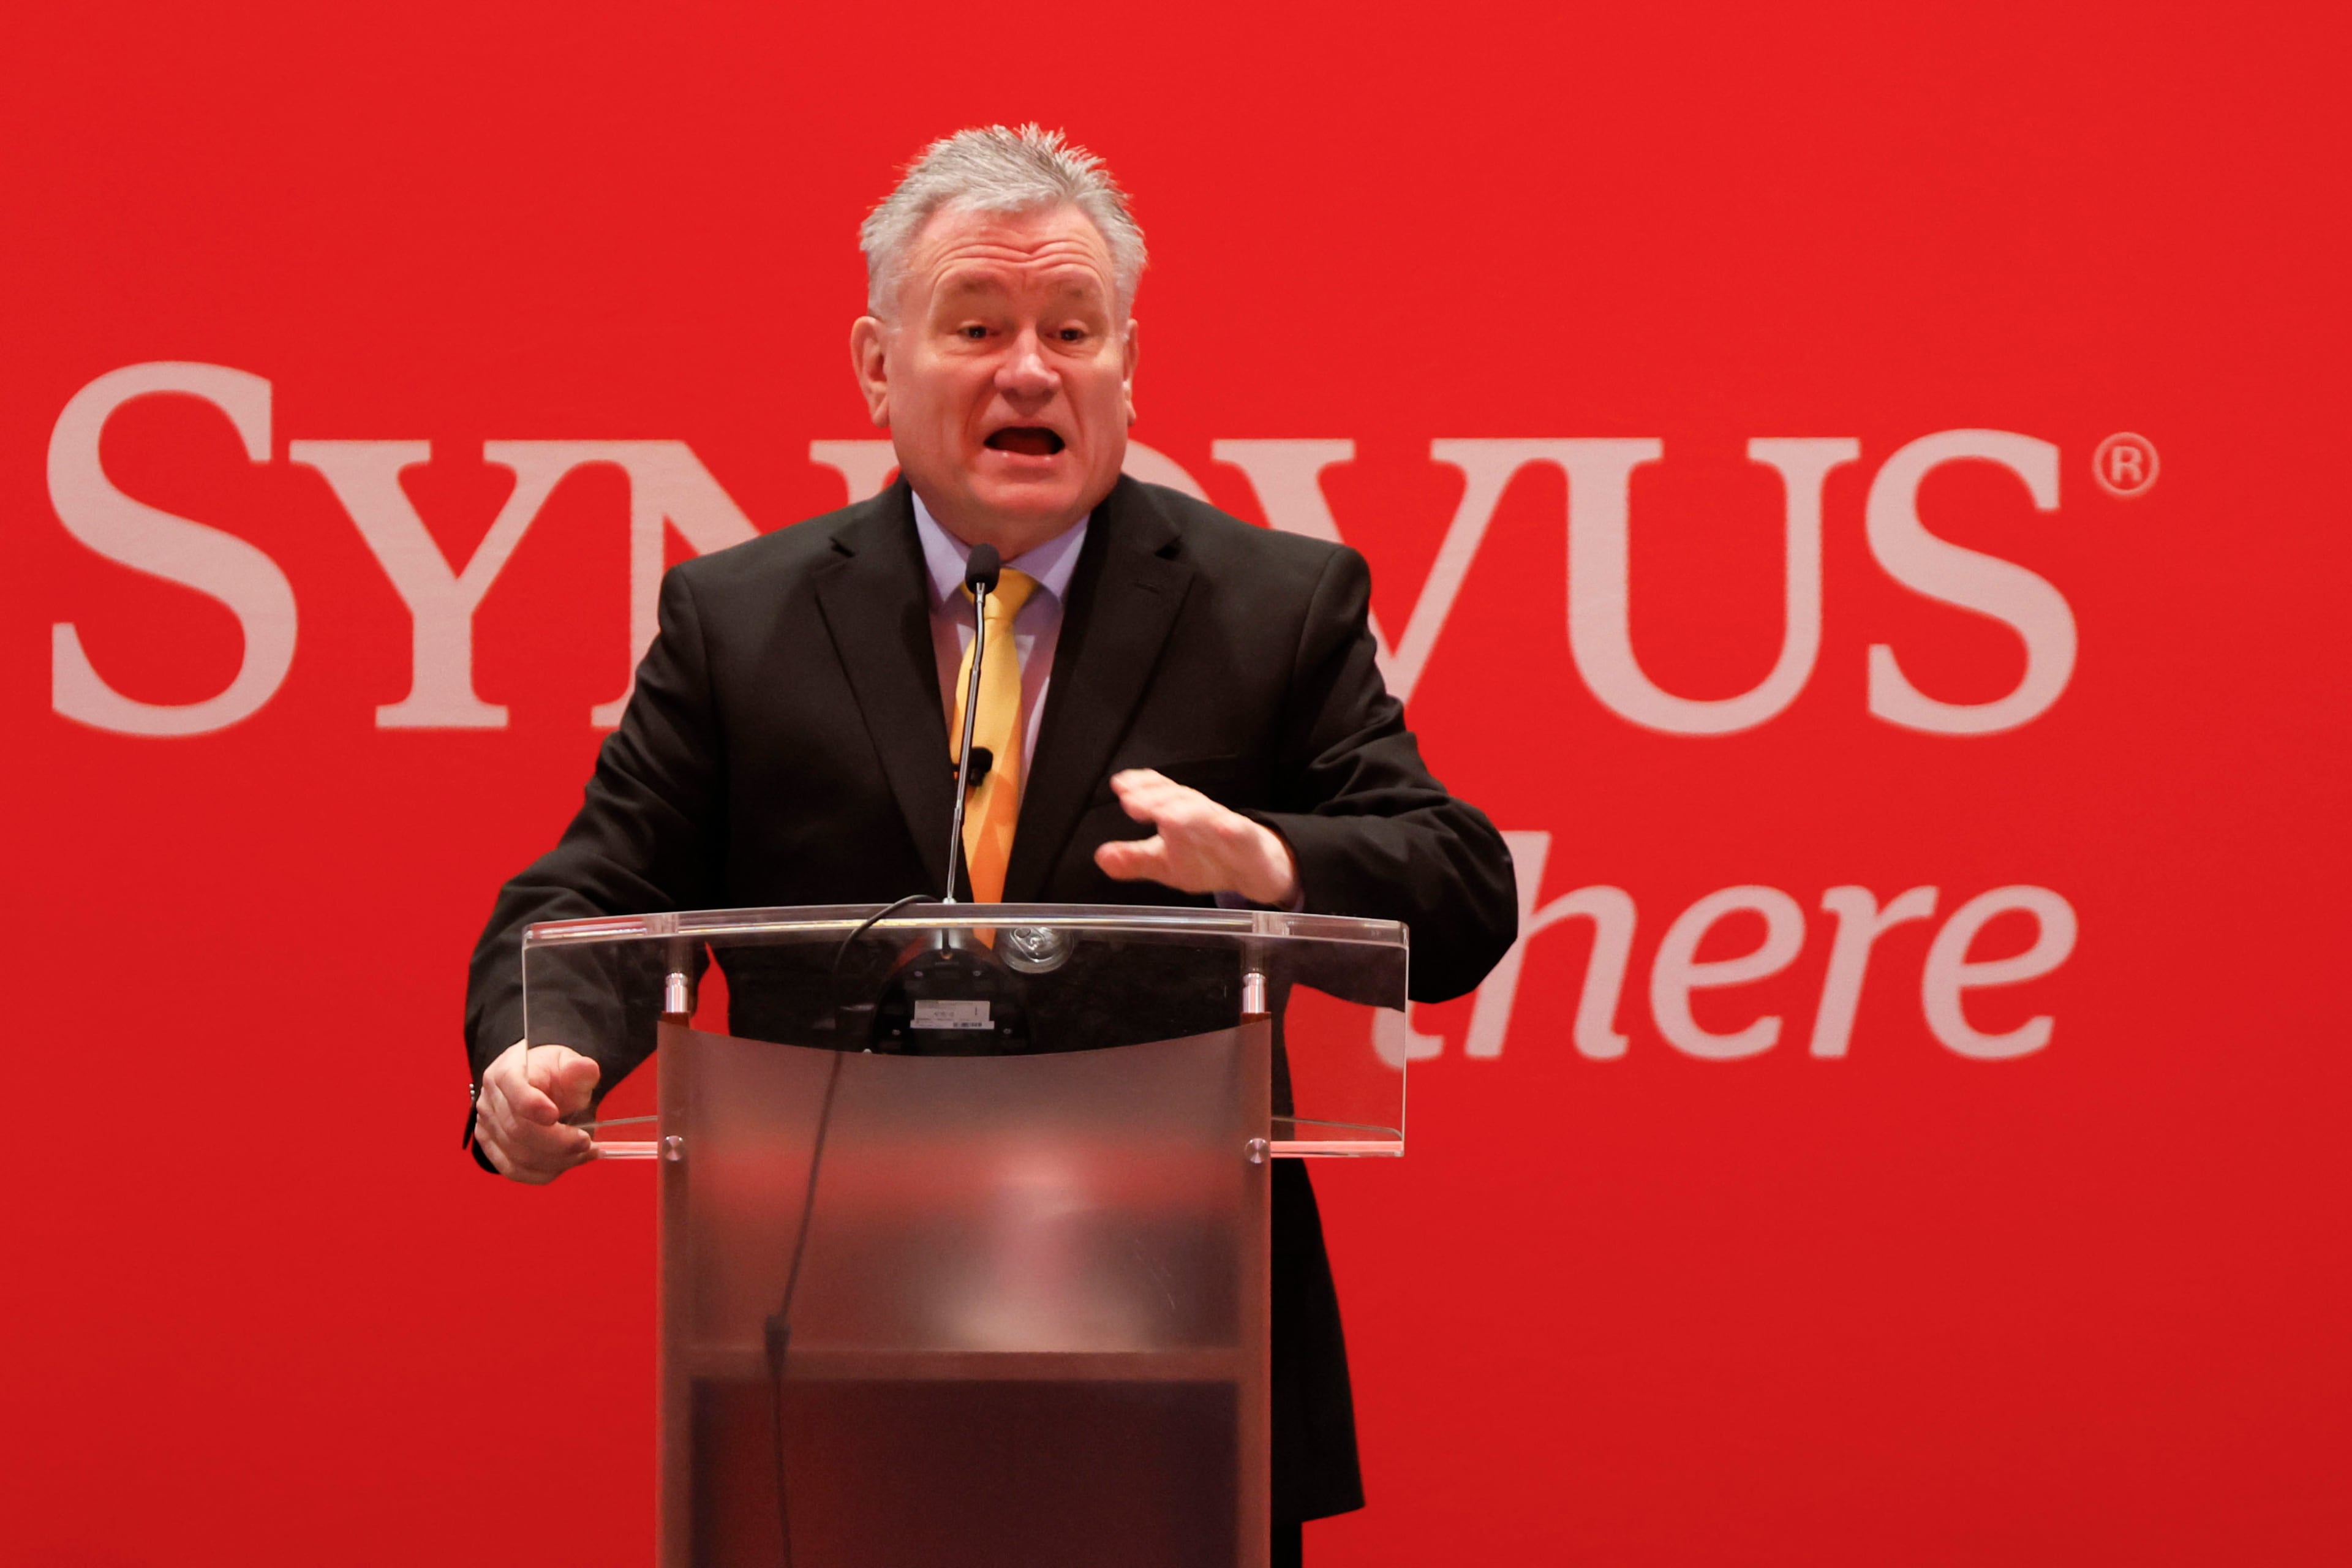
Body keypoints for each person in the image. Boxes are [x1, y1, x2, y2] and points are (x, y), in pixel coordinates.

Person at [464, 124, 1517, 1562]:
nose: (1032, 369)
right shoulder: (743, 621)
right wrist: (538, 1050)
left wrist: (1267, 865)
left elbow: (1460, 889)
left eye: (1073, 331)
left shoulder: (1272, 605)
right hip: (830, 1358)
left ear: (1126, 367)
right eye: (978, 327)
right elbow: (592, 894)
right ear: (877, 364)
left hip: (1182, 1368)